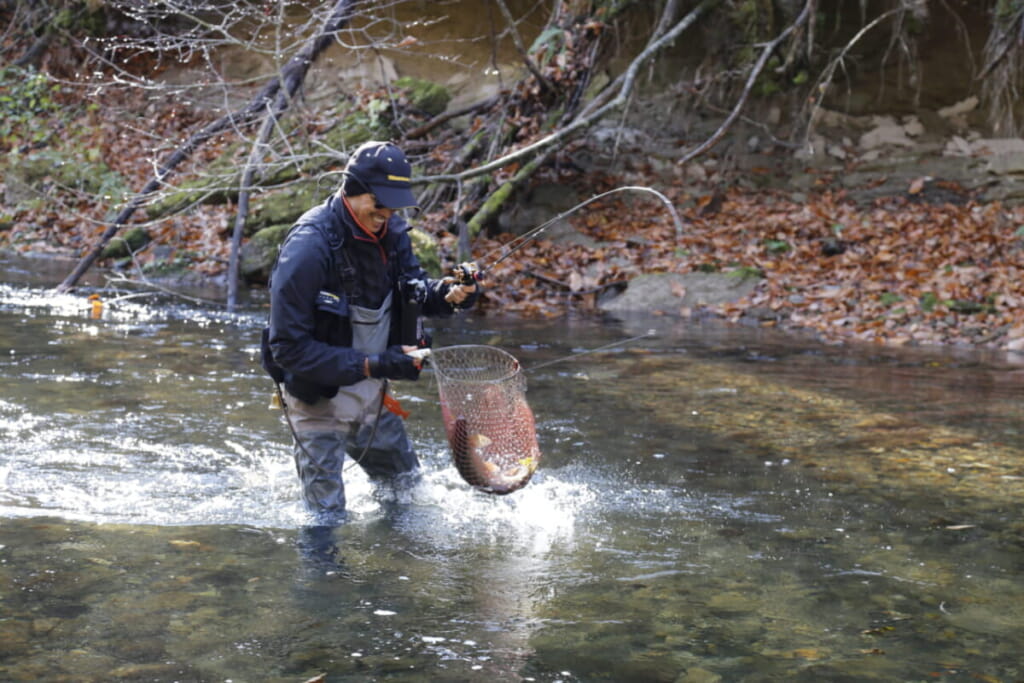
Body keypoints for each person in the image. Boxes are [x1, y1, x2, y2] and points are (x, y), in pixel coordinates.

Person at [263, 140, 478, 523]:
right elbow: (288, 349)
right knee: (325, 521)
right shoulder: (308, 248)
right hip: (316, 400)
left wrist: (450, 294)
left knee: (409, 498)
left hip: (373, 396)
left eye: (394, 203)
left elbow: (413, 289)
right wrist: (375, 363)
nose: (388, 212)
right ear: (352, 188)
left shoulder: (392, 232)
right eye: (380, 202)